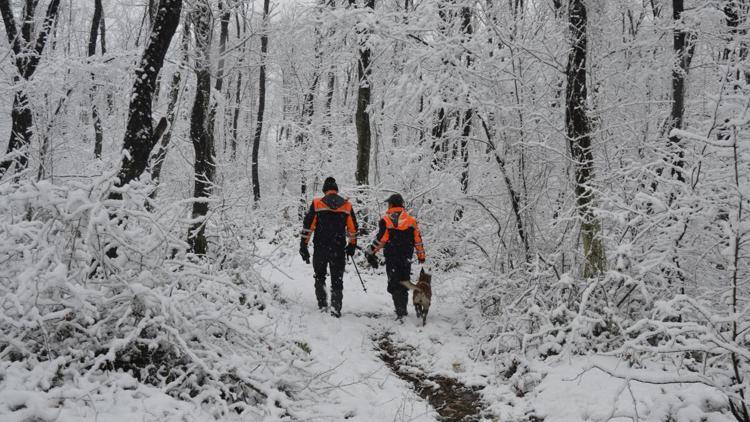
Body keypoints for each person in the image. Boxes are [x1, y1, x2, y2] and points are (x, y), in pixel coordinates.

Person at [300, 177, 358, 317]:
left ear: (324, 190)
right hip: (338, 248)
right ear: (336, 190)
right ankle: (336, 309)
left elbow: (308, 227)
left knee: (319, 276)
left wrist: (303, 245)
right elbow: (353, 229)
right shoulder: (347, 206)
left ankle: (322, 304)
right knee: (337, 279)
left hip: (321, 247)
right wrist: (352, 245)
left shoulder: (317, 204)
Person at [364, 193, 426, 321]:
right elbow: (418, 240)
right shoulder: (411, 221)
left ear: (391, 204)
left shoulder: (386, 220)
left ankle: (400, 311)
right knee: (404, 281)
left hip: (392, 257)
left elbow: (382, 240)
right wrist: (421, 255)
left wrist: (371, 251)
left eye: (389, 203)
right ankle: (402, 309)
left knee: (394, 283)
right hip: (406, 257)